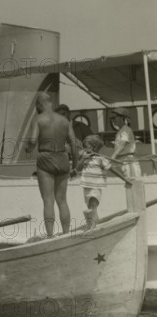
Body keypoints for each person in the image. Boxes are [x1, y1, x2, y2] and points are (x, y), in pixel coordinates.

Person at [29, 93, 78, 238]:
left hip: (45, 158)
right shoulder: (64, 121)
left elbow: (32, 141)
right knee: (62, 200)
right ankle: (66, 233)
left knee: (48, 200)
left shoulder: (38, 119)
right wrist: (75, 166)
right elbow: (74, 143)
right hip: (62, 158)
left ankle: (50, 236)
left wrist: (28, 148)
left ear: (39, 105)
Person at [77, 135, 132, 230]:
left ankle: (92, 226)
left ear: (94, 147)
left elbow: (112, 169)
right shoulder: (84, 158)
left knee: (93, 206)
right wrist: (83, 158)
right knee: (89, 207)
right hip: (86, 186)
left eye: (87, 147)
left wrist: (125, 179)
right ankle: (93, 223)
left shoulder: (101, 159)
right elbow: (78, 168)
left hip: (96, 187)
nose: (85, 149)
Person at [110, 107, 142, 179]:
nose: (113, 120)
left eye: (114, 117)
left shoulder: (126, 130)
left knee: (133, 183)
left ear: (121, 118)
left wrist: (113, 156)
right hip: (122, 160)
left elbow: (122, 145)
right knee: (127, 184)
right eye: (112, 118)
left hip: (128, 160)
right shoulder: (120, 131)